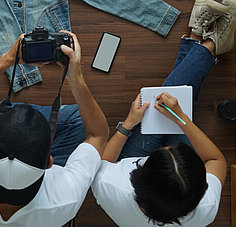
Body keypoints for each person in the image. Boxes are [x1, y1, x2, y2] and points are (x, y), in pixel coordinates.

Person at [0, 31, 109, 227]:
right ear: (49, 162)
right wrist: (75, 77)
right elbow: (98, 134)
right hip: (34, 159)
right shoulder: (64, 197)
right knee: (79, 118)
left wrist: (6, 60)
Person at [91, 0, 235, 226]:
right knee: (171, 101)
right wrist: (180, 118)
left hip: (130, 160)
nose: (168, 143)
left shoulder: (112, 188)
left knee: (163, 102)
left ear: (138, 178)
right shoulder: (205, 206)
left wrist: (129, 123)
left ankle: (202, 41)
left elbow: (103, 161)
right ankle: (207, 43)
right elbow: (217, 159)